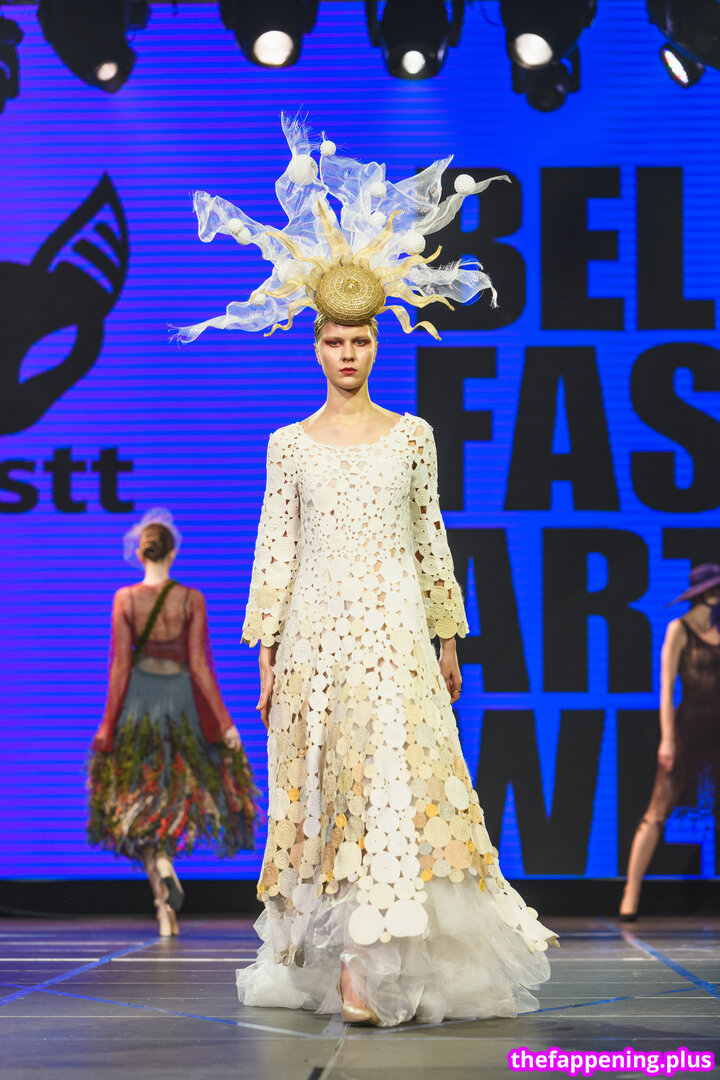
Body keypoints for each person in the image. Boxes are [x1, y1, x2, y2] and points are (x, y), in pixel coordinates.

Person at [177, 116, 556, 1026]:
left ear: (379, 344)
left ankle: (372, 968)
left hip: (394, 632)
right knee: (330, 783)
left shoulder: (412, 436)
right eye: (334, 341)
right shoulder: (288, 444)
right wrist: (265, 654)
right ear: (314, 345)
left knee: (398, 781)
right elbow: (275, 549)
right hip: (314, 636)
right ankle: (346, 961)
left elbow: (431, 541)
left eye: (362, 341)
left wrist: (449, 639)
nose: (348, 354)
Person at [88, 508, 258, 936]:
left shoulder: (125, 599)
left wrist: (107, 725)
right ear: (173, 553)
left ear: (139, 553)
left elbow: (119, 668)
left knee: (141, 797)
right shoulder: (191, 599)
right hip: (181, 704)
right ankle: (166, 873)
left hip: (139, 705)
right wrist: (224, 723)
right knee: (175, 794)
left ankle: (163, 904)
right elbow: (201, 666)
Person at [619, 564, 720, 921]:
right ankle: (630, 893)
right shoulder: (680, 629)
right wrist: (667, 739)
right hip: (688, 730)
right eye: (711, 589)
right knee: (656, 812)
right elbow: (666, 690)